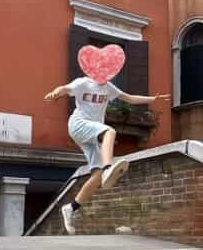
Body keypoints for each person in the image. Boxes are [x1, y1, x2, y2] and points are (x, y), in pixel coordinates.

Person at [45, 74, 169, 234]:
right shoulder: (83, 83)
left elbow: (129, 98)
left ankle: (71, 208)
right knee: (110, 131)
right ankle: (108, 165)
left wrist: (152, 100)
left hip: (91, 133)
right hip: (78, 124)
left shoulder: (109, 87)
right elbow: (65, 89)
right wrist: (55, 93)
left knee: (97, 176)